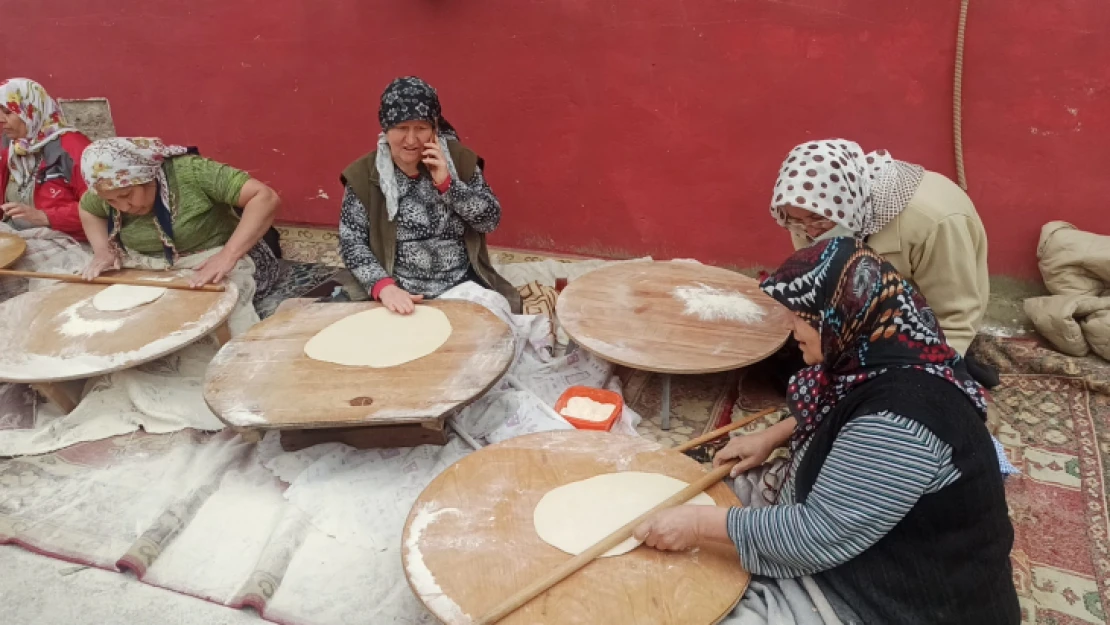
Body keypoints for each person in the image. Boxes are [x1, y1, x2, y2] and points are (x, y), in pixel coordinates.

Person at [635, 238, 1019, 625]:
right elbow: (838, 407)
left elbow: (816, 535)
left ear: (839, 319)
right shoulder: (888, 352)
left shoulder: (899, 424)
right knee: (699, 496)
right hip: (861, 538)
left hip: (898, 598)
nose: (791, 327)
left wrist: (699, 526)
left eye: (803, 317)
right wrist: (771, 437)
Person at [769, 139, 987, 357]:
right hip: (862, 322)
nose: (811, 233)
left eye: (818, 220)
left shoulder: (933, 223)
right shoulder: (805, 214)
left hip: (926, 327)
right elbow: (816, 290)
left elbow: (955, 318)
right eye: (797, 223)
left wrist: (935, 371)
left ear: (847, 201)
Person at [339, 76, 521, 315]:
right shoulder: (364, 175)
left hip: (460, 285)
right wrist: (384, 287)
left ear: (435, 129)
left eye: (422, 129)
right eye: (402, 128)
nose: (411, 140)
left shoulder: (458, 160)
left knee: (493, 334)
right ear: (386, 128)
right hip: (398, 288)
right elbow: (351, 242)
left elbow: (490, 220)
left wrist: (449, 185)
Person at [78, 138, 282, 304]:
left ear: (147, 177)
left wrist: (228, 255)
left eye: (127, 195)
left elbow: (264, 197)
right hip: (151, 265)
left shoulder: (191, 172)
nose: (123, 207)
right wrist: (103, 251)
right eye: (111, 201)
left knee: (204, 311)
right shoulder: (106, 187)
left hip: (212, 256)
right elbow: (87, 209)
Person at [0, 78, 91, 241]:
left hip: (65, 239)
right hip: (15, 234)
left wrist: (45, 216)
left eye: (8, 112)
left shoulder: (72, 147)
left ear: (32, 110)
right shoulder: (11, 146)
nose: (1, 120)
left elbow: (103, 206)